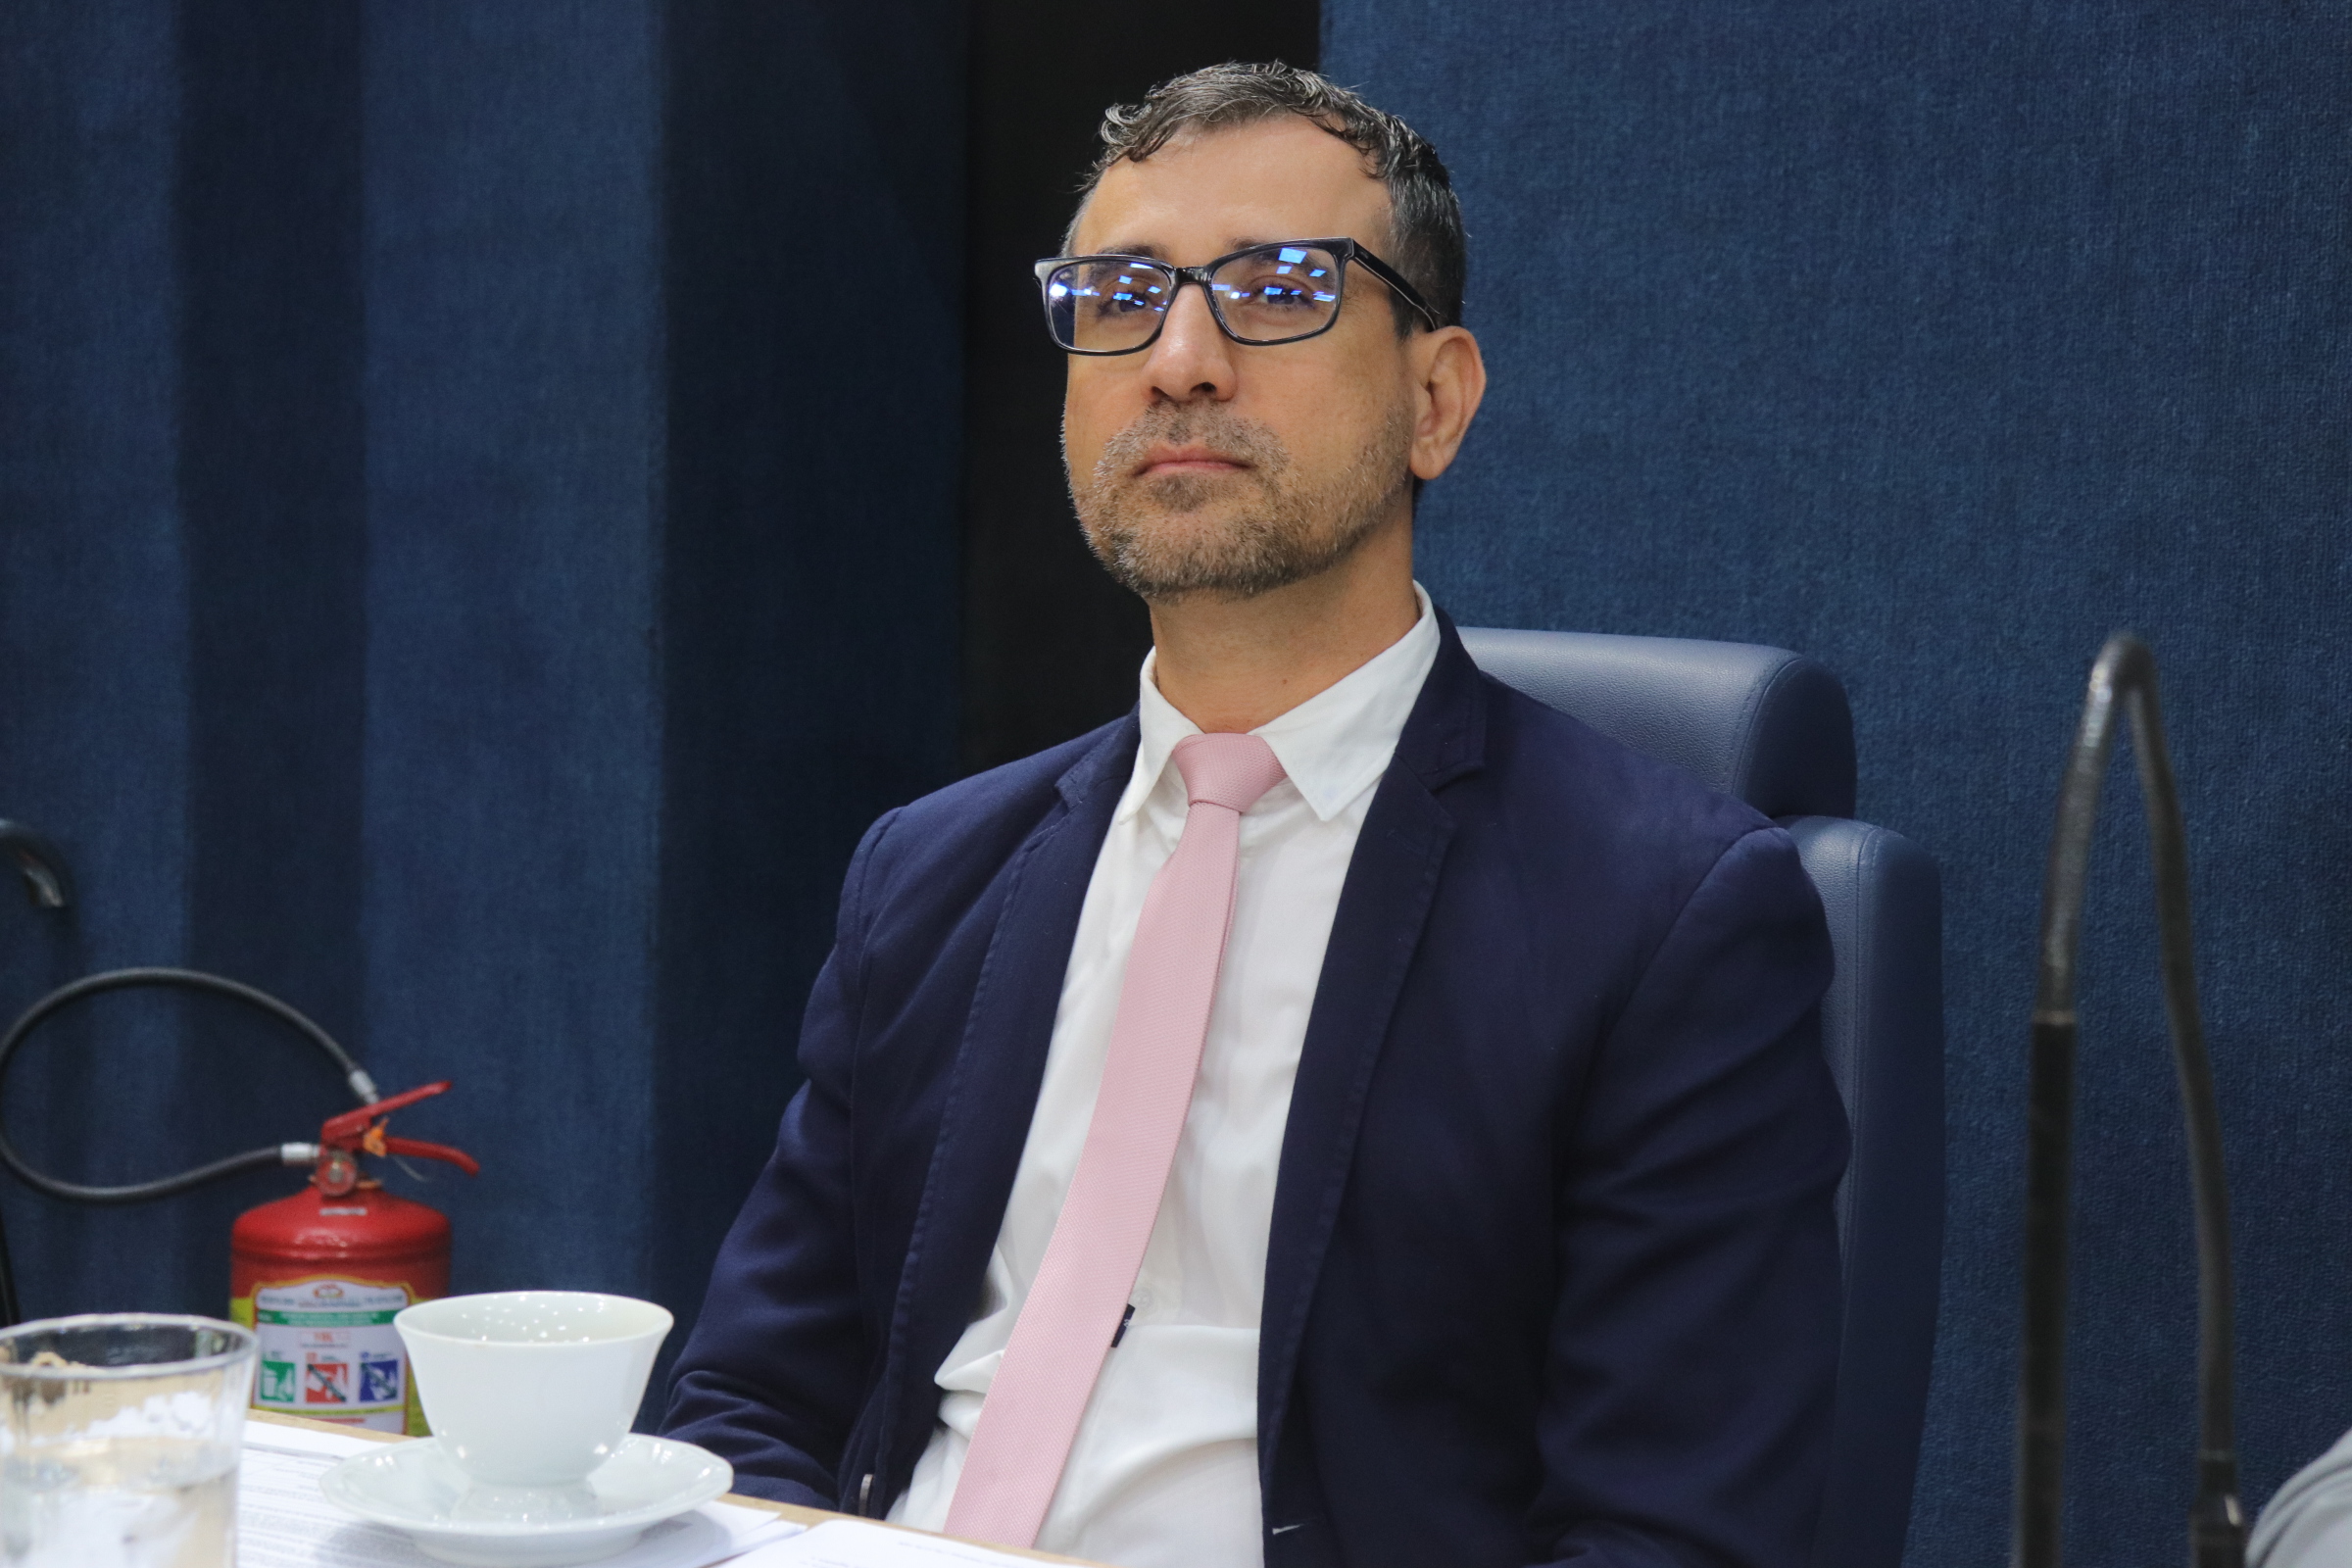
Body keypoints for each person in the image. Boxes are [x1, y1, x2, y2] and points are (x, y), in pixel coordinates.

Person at [662, 62, 1848, 1568]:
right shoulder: (928, 876)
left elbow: (1671, 1532)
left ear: (1436, 400)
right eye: (1120, 296)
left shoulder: (1663, 914)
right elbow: (753, 1401)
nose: (1179, 361)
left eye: (1278, 289)